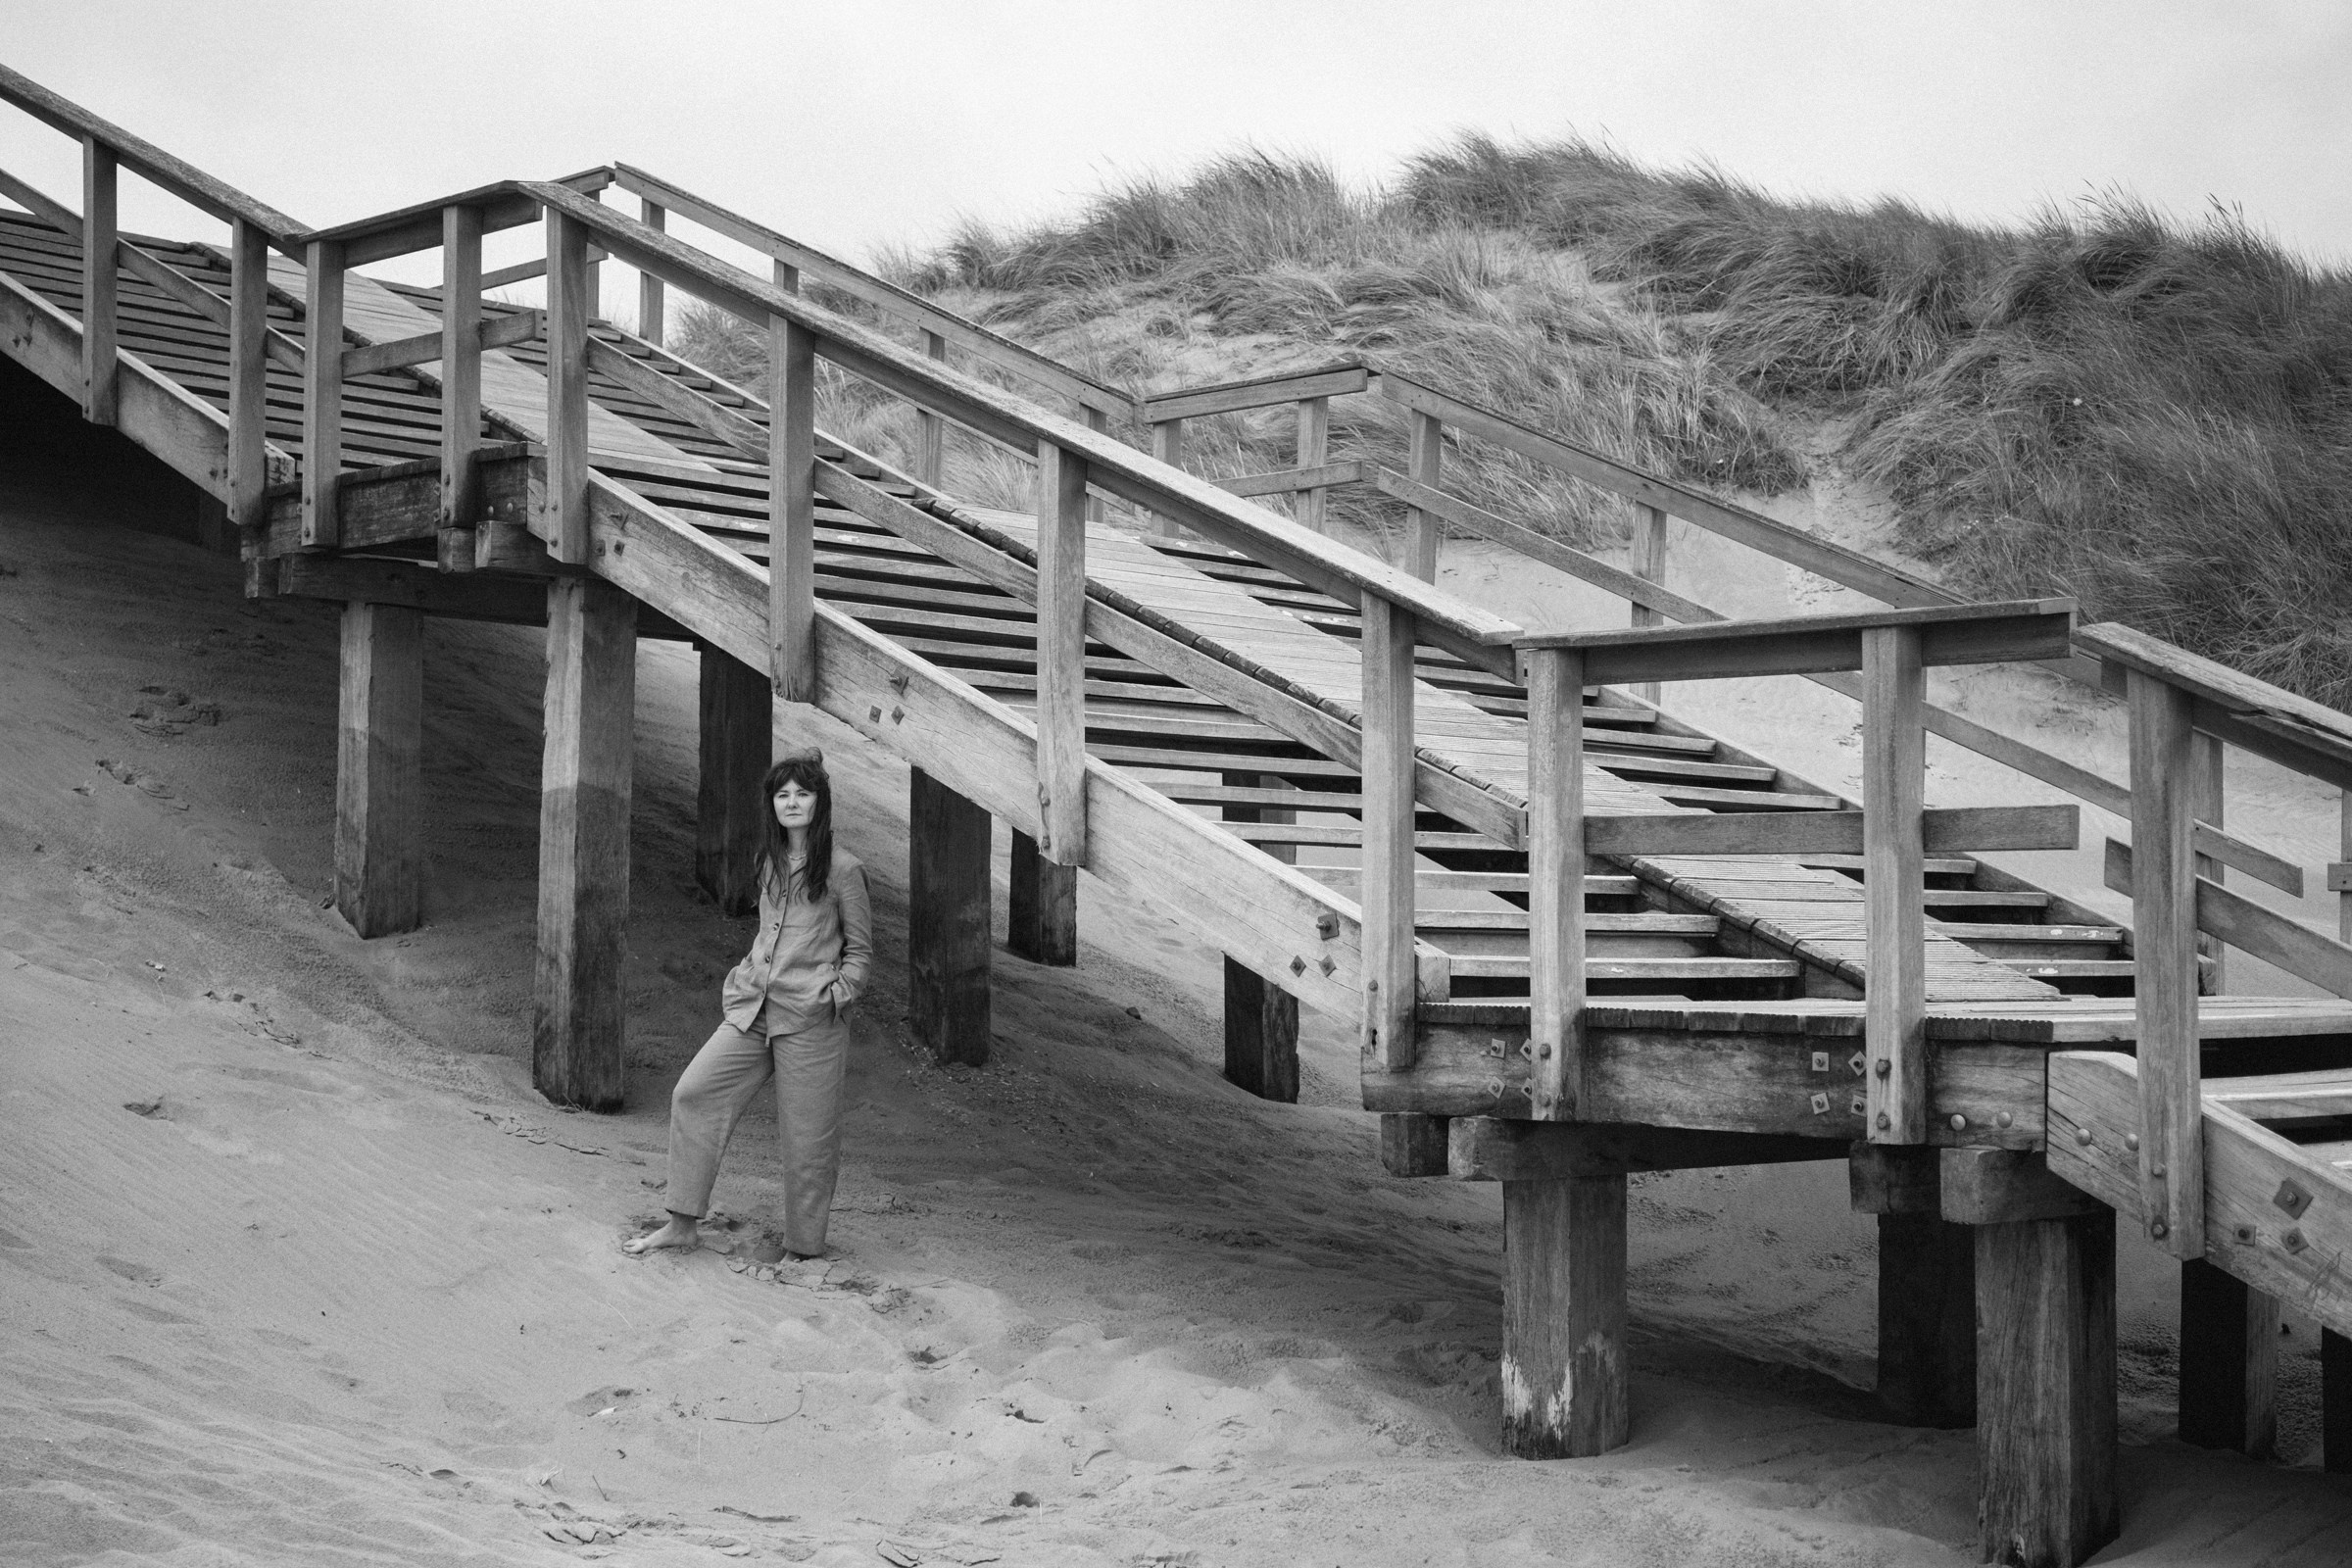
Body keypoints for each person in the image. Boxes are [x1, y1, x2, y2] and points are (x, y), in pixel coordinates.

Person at [625, 748, 872, 1260]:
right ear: (772, 806)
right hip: (752, 1008)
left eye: (803, 793)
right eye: (782, 795)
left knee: (808, 1139)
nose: (792, 803)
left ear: (820, 802)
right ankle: (681, 1224)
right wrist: (750, 970)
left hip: (812, 1017)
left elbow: (861, 951)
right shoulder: (768, 861)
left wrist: (837, 993)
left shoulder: (845, 870)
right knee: (694, 1093)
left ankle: (804, 1251)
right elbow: (768, 929)